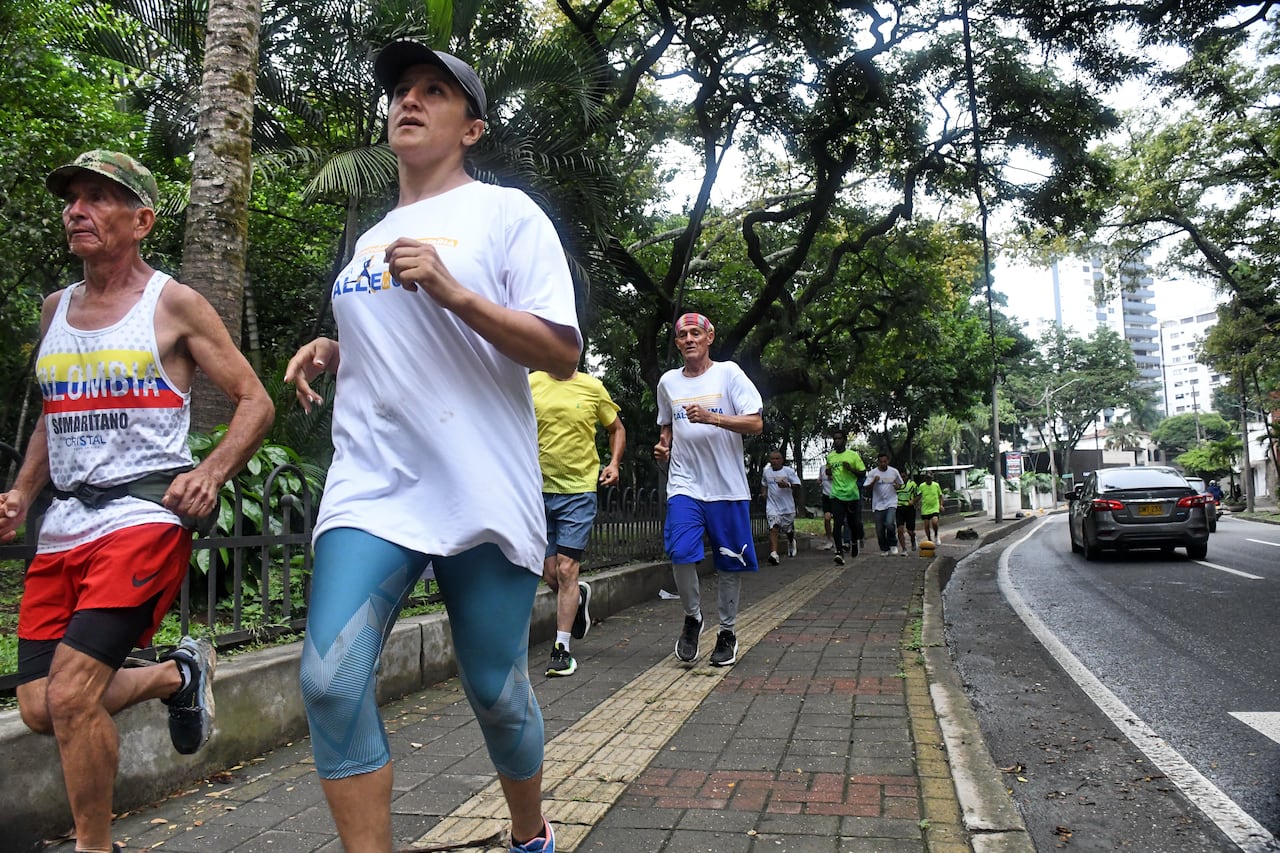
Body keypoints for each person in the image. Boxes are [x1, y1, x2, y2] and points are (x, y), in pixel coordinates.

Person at [284, 41, 580, 853]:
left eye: (433, 91)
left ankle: (530, 831)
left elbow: (560, 351)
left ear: (472, 127)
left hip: (478, 486)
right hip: (373, 485)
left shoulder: (507, 215)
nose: (407, 101)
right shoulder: (373, 235)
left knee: (497, 690)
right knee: (330, 680)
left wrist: (454, 291)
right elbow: (397, 341)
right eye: (400, 91)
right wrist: (334, 349)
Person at [1, 150, 275, 853]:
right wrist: (23, 490)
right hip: (64, 524)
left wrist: (211, 471)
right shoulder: (55, 308)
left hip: (143, 516)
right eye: (72, 199)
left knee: (69, 695)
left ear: (142, 219)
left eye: (97, 198)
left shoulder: (173, 303)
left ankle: (97, 846)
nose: (77, 210)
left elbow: (255, 401)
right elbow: (53, 413)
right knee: (38, 705)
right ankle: (177, 673)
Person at [653, 312, 763, 668]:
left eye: (695, 333)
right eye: (682, 334)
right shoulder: (668, 382)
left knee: (730, 563)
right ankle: (693, 617)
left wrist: (713, 417)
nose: (688, 339)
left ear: (709, 337)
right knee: (680, 552)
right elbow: (666, 425)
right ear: (677, 342)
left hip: (727, 487)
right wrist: (663, 445)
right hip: (685, 483)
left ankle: (727, 631)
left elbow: (756, 422)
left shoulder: (728, 373)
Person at [529, 368, 626, 677]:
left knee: (568, 568)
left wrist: (613, 464)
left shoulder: (592, 387)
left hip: (579, 491)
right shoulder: (531, 383)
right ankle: (579, 596)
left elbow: (616, 429)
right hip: (538, 491)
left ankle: (561, 649)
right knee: (551, 574)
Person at [825, 431, 866, 565]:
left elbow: (862, 473)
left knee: (853, 523)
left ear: (845, 440)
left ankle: (854, 542)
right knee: (837, 523)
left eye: (839, 439)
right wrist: (828, 471)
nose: (837, 441)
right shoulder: (830, 457)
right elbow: (828, 470)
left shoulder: (853, 455)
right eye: (835, 439)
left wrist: (850, 469)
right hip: (836, 494)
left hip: (851, 495)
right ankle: (839, 552)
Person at [760, 449, 801, 564]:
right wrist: (763, 493)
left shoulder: (788, 471)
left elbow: (798, 485)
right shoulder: (767, 472)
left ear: (782, 460)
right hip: (772, 505)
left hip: (787, 507)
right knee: (774, 527)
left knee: (787, 529)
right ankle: (774, 554)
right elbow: (764, 484)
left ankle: (791, 540)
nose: (774, 461)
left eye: (777, 458)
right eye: (772, 459)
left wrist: (787, 485)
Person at [865, 454, 904, 555]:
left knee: (889, 523)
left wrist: (897, 486)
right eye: (881, 462)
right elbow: (867, 488)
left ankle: (893, 544)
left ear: (888, 461)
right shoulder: (873, 473)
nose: (883, 464)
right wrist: (874, 481)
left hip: (891, 502)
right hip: (878, 504)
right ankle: (884, 548)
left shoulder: (894, 471)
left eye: (885, 461)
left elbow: (900, 484)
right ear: (878, 462)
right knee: (880, 529)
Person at [896, 470, 920, 555]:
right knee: (900, 530)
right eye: (900, 477)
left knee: (910, 531)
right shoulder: (896, 485)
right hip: (898, 508)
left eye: (904, 476)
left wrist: (913, 501)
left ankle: (913, 538)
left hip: (909, 509)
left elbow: (918, 495)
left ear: (907, 476)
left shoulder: (912, 484)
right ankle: (904, 549)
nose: (902, 479)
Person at [918, 470, 944, 543]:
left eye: (930, 478)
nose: (928, 479)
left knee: (934, 522)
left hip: (934, 507)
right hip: (925, 508)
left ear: (932, 478)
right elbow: (919, 496)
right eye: (927, 478)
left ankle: (936, 535)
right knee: (926, 525)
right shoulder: (921, 486)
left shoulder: (936, 485)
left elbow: (940, 496)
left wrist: (941, 505)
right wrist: (917, 504)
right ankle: (929, 539)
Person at [818, 457, 835, 550]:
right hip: (826, 496)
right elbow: (820, 478)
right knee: (827, 518)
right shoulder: (822, 468)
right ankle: (829, 540)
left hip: (837, 495)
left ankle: (841, 540)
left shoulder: (838, 469)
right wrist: (819, 480)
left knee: (838, 519)